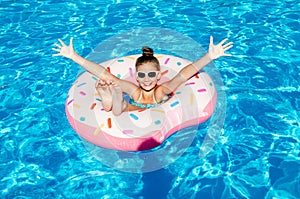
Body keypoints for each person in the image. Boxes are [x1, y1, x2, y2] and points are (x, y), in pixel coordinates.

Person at [52, 36, 233, 116]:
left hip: (151, 108)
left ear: (159, 75)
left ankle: (112, 98)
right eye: (142, 75)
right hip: (131, 107)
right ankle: (111, 97)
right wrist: (74, 56)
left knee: (119, 105)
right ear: (136, 77)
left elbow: (183, 74)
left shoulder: (162, 91)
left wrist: (210, 56)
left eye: (151, 74)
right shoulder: (134, 90)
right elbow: (102, 73)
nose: (147, 79)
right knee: (119, 105)